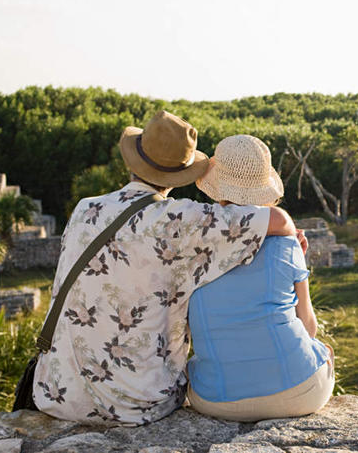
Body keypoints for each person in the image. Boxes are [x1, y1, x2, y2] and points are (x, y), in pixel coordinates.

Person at [32, 111, 303, 425]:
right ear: (184, 172)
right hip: (140, 404)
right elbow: (280, 221)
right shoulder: (182, 220)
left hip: (56, 394)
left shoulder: (84, 209)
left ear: (134, 158)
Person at [186, 134, 334, 422]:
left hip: (215, 400)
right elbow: (308, 328)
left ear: (217, 187)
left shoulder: (193, 243)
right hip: (299, 393)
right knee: (323, 350)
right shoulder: (287, 241)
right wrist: (297, 259)